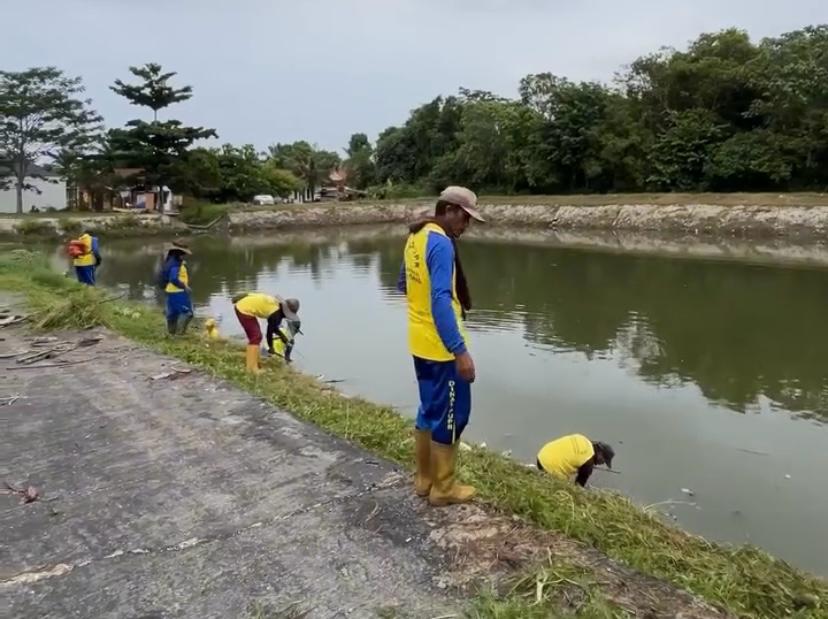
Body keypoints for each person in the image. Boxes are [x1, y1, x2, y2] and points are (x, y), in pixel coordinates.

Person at [397, 186, 485, 506]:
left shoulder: (415, 236)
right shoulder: (441, 243)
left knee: (430, 409)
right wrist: (459, 350)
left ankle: (424, 480)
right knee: (453, 415)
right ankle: (444, 488)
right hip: (441, 349)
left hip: (419, 342)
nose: (466, 225)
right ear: (449, 210)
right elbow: (440, 300)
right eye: (465, 218)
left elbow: (402, 284)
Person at [232, 292, 300, 374]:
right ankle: (251, 368)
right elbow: (269, 333)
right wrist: (271, 347)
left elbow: (274, 328)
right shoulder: (276, 313)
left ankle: (255, 363)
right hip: (243, 309)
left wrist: (283, 338)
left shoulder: (277, 306)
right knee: (256, 337)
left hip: (244, 305)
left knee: (256, 337)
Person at [536, 434, 615, 487]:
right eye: (604, 461)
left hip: (542, 456)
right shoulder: (588, 463)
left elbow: (574, 455)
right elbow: (578, 486)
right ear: (600, 454)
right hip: (549, 468)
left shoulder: (582, 438)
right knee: (566, 486)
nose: (601, 463)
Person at [162, 243, 193, 335]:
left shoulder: (171, 261)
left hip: (170, 291)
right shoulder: (175, 264)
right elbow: (173, 278)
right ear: (180, 253)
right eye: (184, 254)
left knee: (173, 314)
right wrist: (184, 286)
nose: (185, 256)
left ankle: (171, 333)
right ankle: (180, 334)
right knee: (187, 313)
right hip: (178, 292)